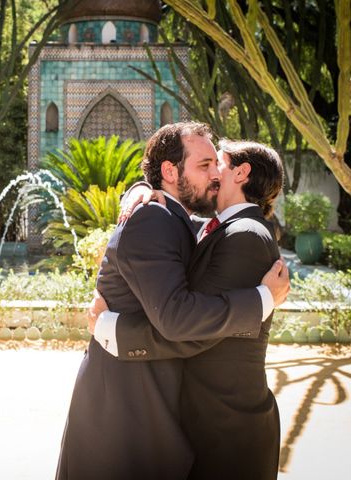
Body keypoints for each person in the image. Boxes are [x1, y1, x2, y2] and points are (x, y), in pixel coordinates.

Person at [55, 123, 290, 480]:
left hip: (216, 424)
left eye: (217, 164)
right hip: (127, 409)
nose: (213, 175)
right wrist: (140, 190)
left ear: (241, 174)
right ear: (170, 171)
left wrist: (109, 329)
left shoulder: (230, 231)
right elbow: (181, 318)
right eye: (204, 165)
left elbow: (188, 323)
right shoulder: (163, 217)